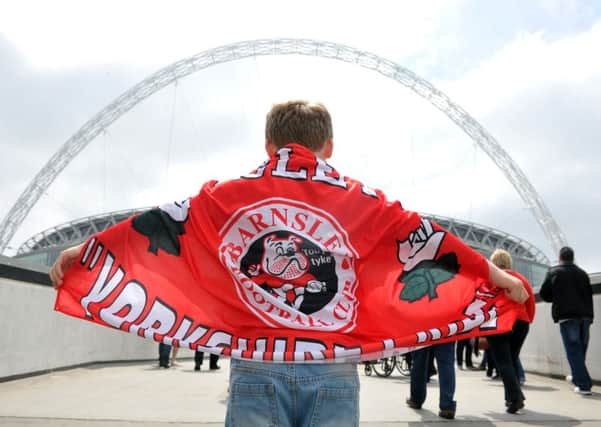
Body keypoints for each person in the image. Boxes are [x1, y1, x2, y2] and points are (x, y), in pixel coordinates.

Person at [50, 100, 529, 426]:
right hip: (334, 367)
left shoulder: (227, 196)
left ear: (267, 145)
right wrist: (497, 275)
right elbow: (424, 240)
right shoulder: (363, 201)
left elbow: (164, 224)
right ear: (330, 147)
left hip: (257, 364)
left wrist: (86, 252)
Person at [486, 249, 535, 414]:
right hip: (521, 322)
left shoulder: (490, 279)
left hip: (499, 323)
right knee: (512, 360)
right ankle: (511, 398)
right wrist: (528, 319)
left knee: (504, 363)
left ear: (493, 263)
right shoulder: (520, 278)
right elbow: (530, 303)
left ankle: (516, 399)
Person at [540, 246, 594, 395]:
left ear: (560, 258)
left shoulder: (554, 272)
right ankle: (577, 377)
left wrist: (557, 297)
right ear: (572, 257)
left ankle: (584, 385)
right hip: (585, 316)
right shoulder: (583, 274)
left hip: (567, 316)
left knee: (573, 350)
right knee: (580, 349)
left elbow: (544, 294)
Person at [406, 342, 456, 419]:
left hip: (422, 330)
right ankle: (447, 406)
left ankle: (416, 399)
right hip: (445, 332)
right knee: (446, 363)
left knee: (419, 362)